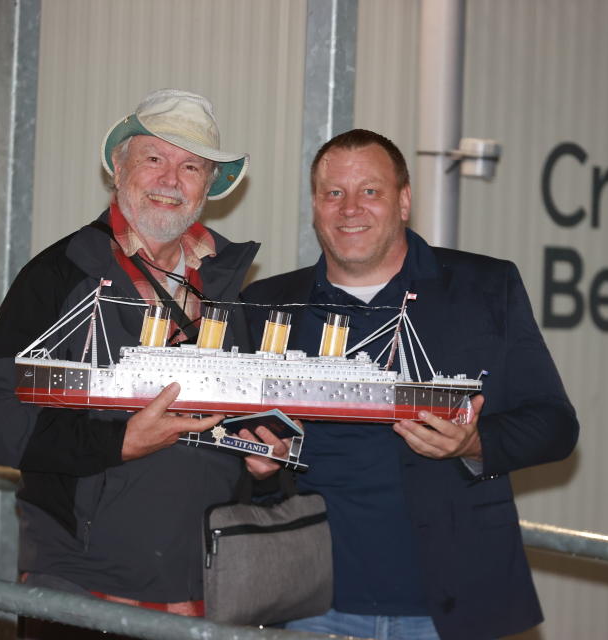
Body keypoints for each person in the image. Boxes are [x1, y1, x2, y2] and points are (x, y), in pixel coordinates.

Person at [0, 89, 283, 638]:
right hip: (83, 600)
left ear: (209, 187)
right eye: (154, 158)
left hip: (206, 601)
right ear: (119, 170)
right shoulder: (61, 275)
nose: (170, 179)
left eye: (191, 166)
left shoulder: (229, 287)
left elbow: (246, 423)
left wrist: (265, 467)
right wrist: (119, 443)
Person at [242, 129, 579, 640]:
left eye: (370, 191)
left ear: (403, 201)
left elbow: (555, 425)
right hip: (308, 604)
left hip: (454, 610)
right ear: (316, 205)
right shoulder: (265, 304)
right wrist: (256, 461)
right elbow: (223, 445)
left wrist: (476, 442)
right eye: (334, 193)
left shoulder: (485, 288)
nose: (350, 208)